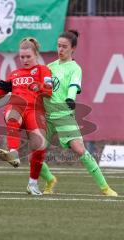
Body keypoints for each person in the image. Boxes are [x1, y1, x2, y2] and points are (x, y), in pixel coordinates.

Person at [40, 29, 118, 196]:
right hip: (46, 116)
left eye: (64, 47)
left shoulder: (75, 68)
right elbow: (42, 88)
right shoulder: (49, 67)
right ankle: (49, 180)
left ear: (73, 48)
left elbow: (73, 85)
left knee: (80, 150)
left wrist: (70, 98)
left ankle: (105, 188)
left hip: (63, 114)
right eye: (59, 46)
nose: (60, 50)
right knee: (36, 151)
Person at [0, 37, 54, 195]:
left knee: (40, 147)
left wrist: (38, 86)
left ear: (36, 55)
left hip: (34, 111)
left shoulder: (43, 70)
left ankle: (32, 184)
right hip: (16, 106)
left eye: (28, 56)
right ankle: (13, 152)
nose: (24, 60)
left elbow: (48, 91)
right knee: (12, 114)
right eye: (22, 57)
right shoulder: (14, 74)